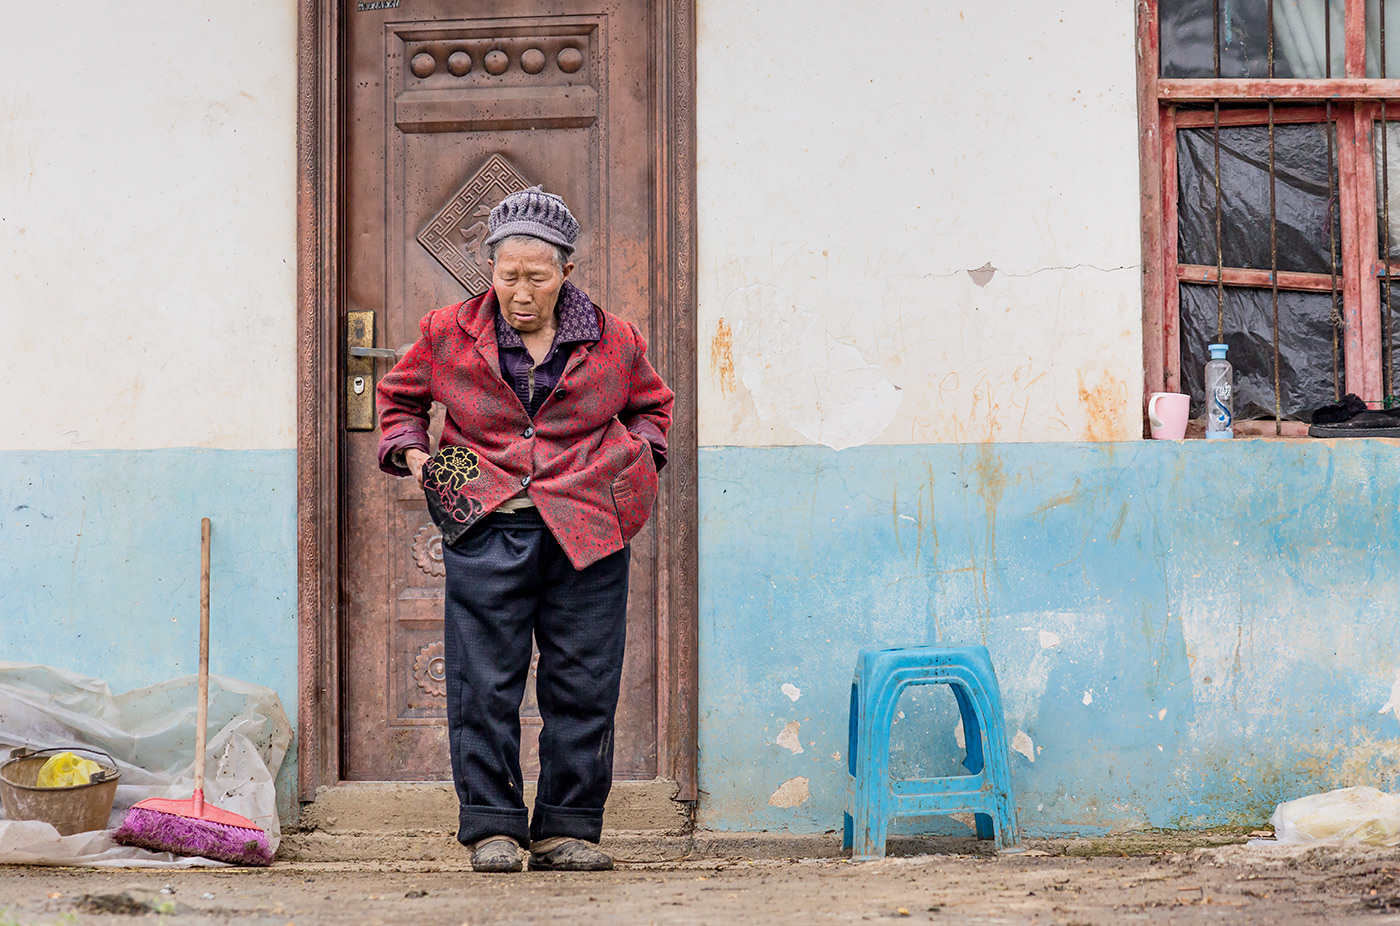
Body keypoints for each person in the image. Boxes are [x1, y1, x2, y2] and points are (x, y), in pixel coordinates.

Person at [375, 188, 673, 872]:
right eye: (508, 275)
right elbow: (397, 400)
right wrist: (422, 460)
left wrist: (636, 459)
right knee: (484, 682)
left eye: (537, 276)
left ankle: (567, 828)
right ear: (491, 268)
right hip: (485, 526)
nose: (521, 290)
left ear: (566, 270)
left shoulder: (616, 337)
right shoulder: (447, 331)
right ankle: (492, 827)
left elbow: (653, 408)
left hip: (590, 530)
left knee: (584, 681)